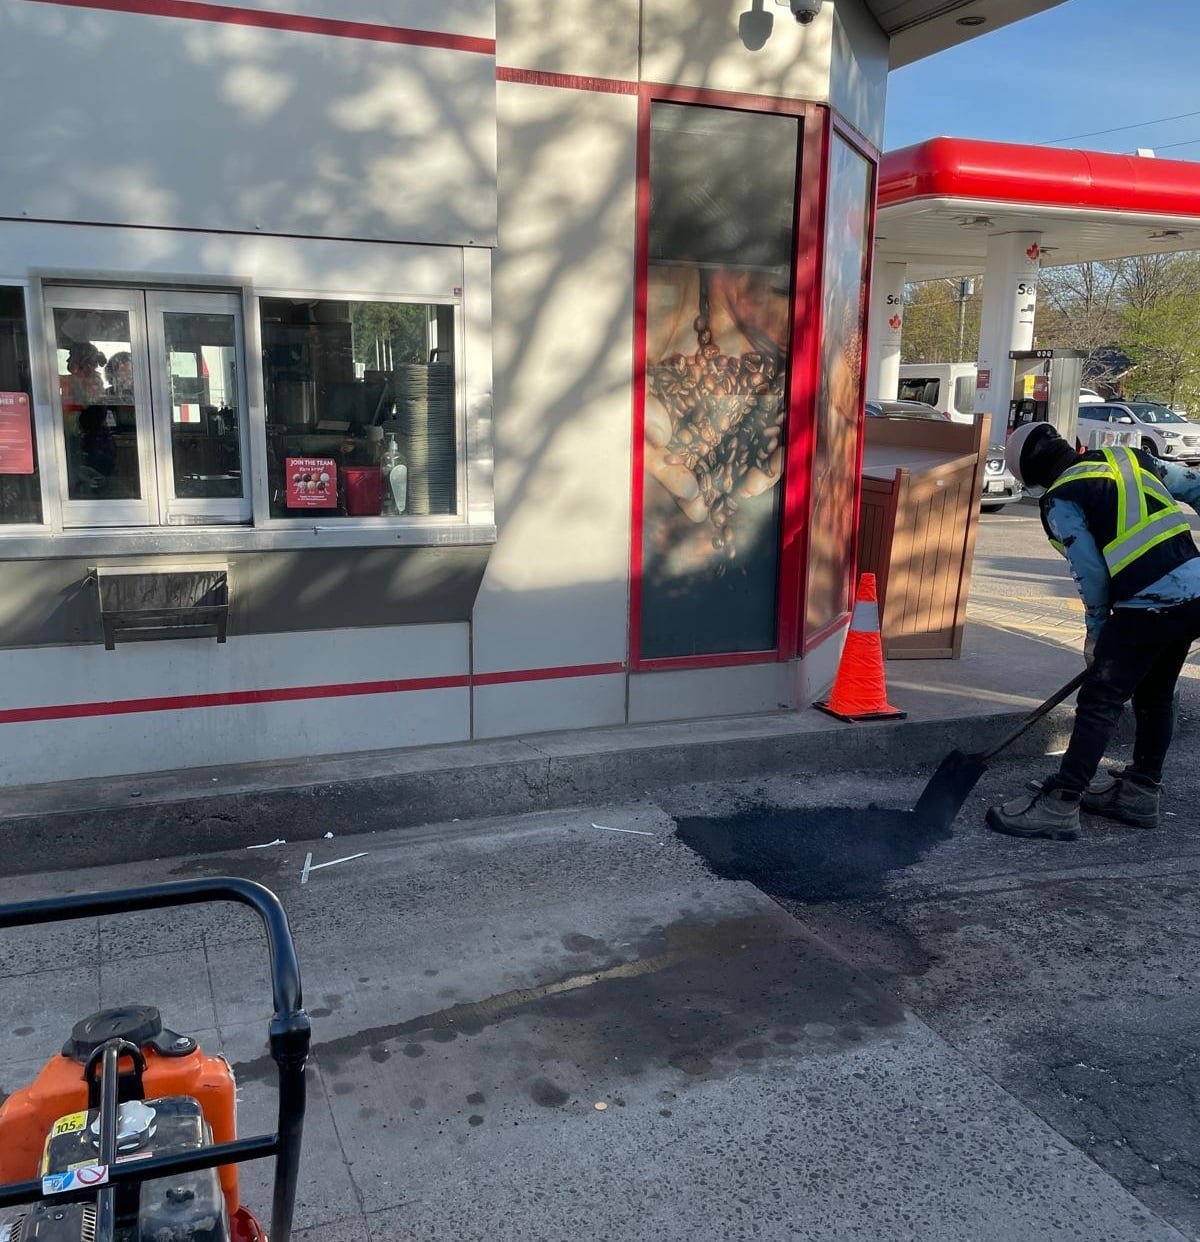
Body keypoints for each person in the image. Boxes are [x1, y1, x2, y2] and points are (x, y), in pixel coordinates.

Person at [987, 421, 1200, 841]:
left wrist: (1097, 634)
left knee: (1101, 699)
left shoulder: (1061, 498)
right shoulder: (1131, 459)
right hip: (1193, 595)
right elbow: (1194, 484)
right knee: (1156, 694)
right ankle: (1140, 792)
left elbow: (1090, 574)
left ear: (1031, 478)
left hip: (1148, 604)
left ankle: (1061, 803)